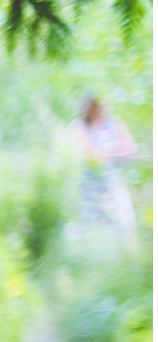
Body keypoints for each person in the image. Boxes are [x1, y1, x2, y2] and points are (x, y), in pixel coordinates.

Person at [70, 95, 142, 236]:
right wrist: (116, 154)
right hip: (89, 183)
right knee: (93, 223)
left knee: (123, 221)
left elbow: (131, 149)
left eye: (97, 107)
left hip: (116, 180)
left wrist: (107, 155)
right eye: (90, 108)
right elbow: (90, 155)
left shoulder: (114, 123)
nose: (95, 111)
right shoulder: (79, 127)